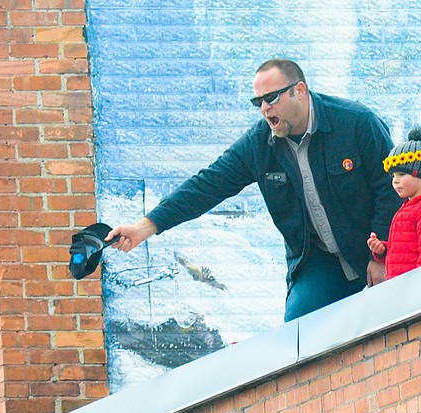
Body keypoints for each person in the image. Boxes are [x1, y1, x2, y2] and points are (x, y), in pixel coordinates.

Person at [106, 59, 399, 321]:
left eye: (271, 98)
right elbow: (207, 185)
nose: (264, 109)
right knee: (299, 331)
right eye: (257, 102)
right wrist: (144, 228)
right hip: (319, 262)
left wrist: (382, 254)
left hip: (375, 246)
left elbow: (390, 189)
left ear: (299, 90)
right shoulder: (260, 145)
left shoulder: (356, 122)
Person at [366, 128, 421, 280]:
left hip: (419, 290)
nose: (395, 180)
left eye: (401, 174)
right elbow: (404, 252)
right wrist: (383, 251)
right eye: (393, 175)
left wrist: (420, 287)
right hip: (405, 289)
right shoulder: (407, 209)